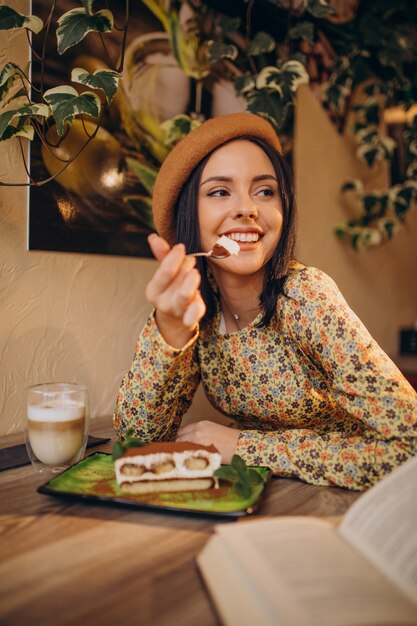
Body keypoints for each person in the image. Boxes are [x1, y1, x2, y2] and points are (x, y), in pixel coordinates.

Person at [113, 112, 417, 491]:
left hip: (346, 508)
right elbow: (138, 439)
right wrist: (170, 332)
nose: (247, 208)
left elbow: (411, 448)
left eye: (265, 191)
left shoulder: (306, 297)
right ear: (189, 214)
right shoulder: (194, 306)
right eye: (220, 191)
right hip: (264, 497)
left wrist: (243, 445)